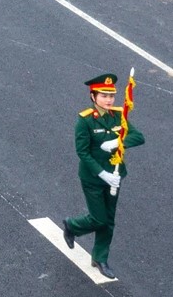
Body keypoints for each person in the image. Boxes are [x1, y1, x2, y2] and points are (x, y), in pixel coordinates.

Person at [62, 74, 145, 280]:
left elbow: (138, 136)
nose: (109, 100)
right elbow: (82, 152)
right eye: (104, 95)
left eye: (111, 96)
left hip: (115, 176)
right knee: (99, 218)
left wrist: (119, 143)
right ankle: (72, 226)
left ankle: (100, 257)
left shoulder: (118, 115)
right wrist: (103, 174)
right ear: (93, 96)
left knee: (109, 220)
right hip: (93, 177)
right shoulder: (85, 120)